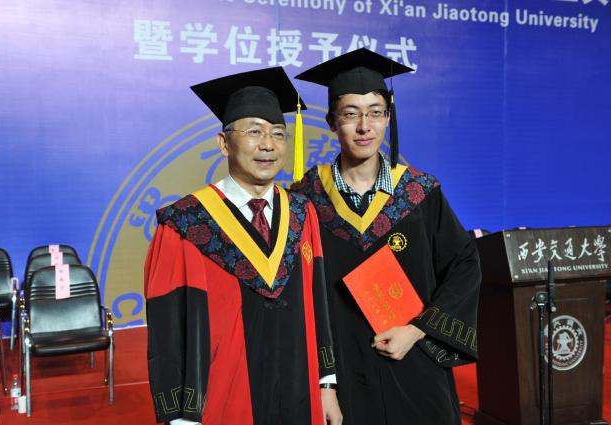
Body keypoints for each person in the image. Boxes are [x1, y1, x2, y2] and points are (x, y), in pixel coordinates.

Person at [290, 48, 481, 424]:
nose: (365, 126)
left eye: (375, 112)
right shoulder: (306, 199)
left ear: (388, 118)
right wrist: (323, 383)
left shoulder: (419, 193)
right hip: (343, 375)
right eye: (350, 114)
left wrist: (418, 330)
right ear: (331, 122)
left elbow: (464, 264)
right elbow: (297, 296)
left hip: (414, 362)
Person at [144, 67, 342, 425]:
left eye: (277, 134)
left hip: (300, 394)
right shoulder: (186, 224)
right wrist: (179, 417)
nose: (268, 144)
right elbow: (167, 330)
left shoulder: (302, 213)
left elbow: (319, 304)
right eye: (254, 132)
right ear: (224, 143)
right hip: (224, 400)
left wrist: (326, 384)